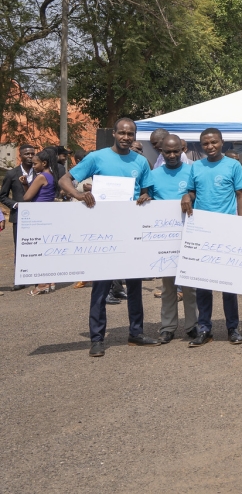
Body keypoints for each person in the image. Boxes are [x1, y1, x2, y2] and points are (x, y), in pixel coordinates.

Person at [59, 118, 160, 357]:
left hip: (131, 230)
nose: (126, 137)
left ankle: (136, 333)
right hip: (103, 231)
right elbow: (64, 180)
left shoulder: (140, 161)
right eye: (122, 133)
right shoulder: (97, 157)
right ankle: (97, 338)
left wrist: (146, 197)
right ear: (114, 133)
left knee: (134, 286)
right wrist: (78, 196)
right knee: (101, 288)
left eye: (130, 134)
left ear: (134, 136)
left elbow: (147, 190)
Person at [183, 127, 242, 346]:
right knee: (203, 283)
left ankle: (233, 328)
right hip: (202, 230)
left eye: (214, 142)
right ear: (201, 145)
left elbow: (240, 195)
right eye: (205, 143)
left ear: (222, 142)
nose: (210, 146)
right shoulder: (196, 166)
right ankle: (204, 328)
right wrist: (186, 196)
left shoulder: (233, 165)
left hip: (227, 229)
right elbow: (193, 192)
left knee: (228, 284)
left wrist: (241, 223)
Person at [139, 134, 198, 343]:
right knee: (168, 285)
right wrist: (145, 198)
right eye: (167, 152)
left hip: (189, 234)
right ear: (161, 152)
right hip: (165, 238)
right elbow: (148, 198)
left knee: (190, 284)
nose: (172, 155)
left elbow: (198, 195)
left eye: (176, 151)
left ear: (182, 150)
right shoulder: (153, 175)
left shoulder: (193, 171)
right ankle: (168, 326)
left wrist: (189, 196)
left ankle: (192, 325)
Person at [23, 148, 60, 295]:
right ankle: (50, 280)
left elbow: (27, 197)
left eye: (35, 164)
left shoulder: (41, 177)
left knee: (38, 251)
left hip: (38, 216)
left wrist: (25, 186)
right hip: (48, 214)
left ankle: (42, 284)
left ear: (44, 163)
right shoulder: (51, 175)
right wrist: (26, 184)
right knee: (47, 249)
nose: (33, 166)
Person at [1, 143, 35, 291]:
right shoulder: (12, 174)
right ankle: (20, 278)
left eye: (32, 153)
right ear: (20, 155)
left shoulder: (39, 172)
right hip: (19, 217)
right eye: (27, 154)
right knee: (20, 247)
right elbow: (2, 196)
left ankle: (36, 276)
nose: (30, 156)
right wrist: (15, 205)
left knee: (37, 246)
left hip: (38, 217)